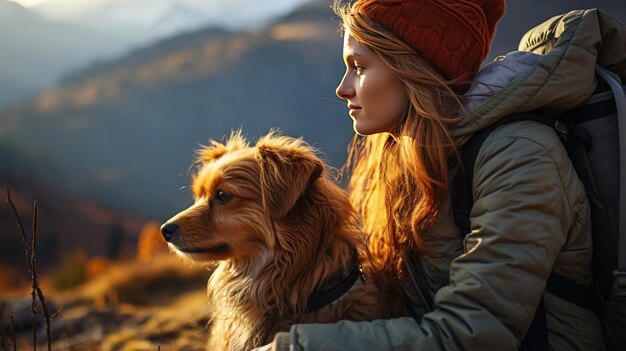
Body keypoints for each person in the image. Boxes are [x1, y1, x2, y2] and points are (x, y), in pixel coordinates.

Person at [256, 0, 626, 349]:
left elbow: (474, 335)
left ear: (413, 68)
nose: (343, 88)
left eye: (359, 67)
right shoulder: (405, 156)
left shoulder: (519, 155)